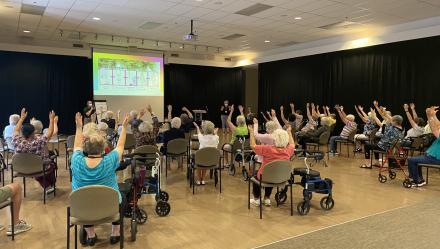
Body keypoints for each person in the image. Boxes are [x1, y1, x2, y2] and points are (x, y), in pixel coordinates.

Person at [70, 112, 129, 246]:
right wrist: (124, 127)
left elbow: (76, 146)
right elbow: (120, 146)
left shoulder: (76, 160)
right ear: (103, 149)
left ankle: (91, 235)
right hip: (110, 206)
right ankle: (115, 232)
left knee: (85, 200)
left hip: (82, 207)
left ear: (85, 148)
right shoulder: (110, 161)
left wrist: (79, 127)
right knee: (123, 197)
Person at [11, 108, 57, 193]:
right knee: (51, 164)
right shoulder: (38, 142)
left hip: (22, 168)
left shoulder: (16, 141)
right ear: (33, 133)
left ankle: (46, 185)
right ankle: (48, 185)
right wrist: (51, 120)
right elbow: (50, 132)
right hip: (38, 168)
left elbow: (16, 130)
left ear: (22, 133)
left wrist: (21, 118)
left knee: (36, 164)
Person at [248, 125, 295, 206]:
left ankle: (257, 199)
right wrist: (289, 132)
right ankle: (267, 198)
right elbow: (292, 144)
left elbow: (253, 146)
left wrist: (251, 132)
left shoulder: (268, 149)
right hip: (281, 177)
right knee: (272, 173)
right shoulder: (289, 150)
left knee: (257, 174)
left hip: (266, 176)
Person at [407, 106, 440, 187]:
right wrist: (432, 115)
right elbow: (438, 124)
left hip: (435, 158)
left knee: (411, 160)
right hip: (432, 156)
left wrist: (429, 116)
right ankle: (419, 179)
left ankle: (417, 181)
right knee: (416, 159)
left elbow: (435, 130)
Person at [193, 121, 219, 185]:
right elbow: (215, 135)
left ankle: (199, 179)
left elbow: (199, 132)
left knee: (199, 159)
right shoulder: (216, 137)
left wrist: (197, 127)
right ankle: (203, 179)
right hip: (211, 160)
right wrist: (215, 133)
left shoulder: (202, 137)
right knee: (206, 158)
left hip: (201, 160)